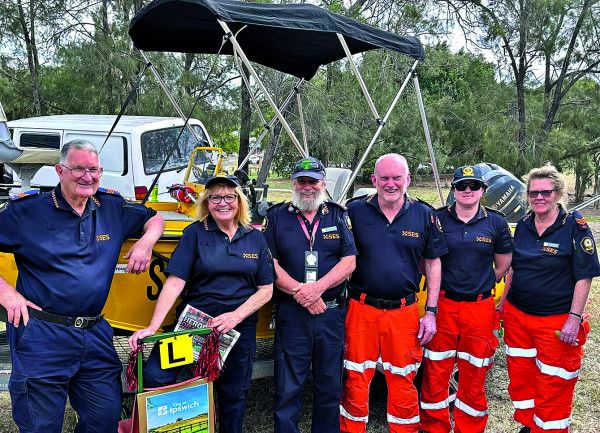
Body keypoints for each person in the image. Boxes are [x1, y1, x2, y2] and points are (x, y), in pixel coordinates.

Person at [0, 139, 164, 433]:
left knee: (104, 421)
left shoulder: (111, 206)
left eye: (94, 170)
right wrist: (6, 293)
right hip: (43, 333)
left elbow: (155, 218)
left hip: (95, 333)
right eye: (78, 169)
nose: (88, 177)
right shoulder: (26, 211)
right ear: (60, 171)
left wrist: (146, 242)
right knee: (40, 426)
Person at [129, 175, 274, 433]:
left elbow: (266, 290)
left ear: (239, 201)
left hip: (237, 330)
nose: (222, 203)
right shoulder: (194, 233)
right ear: (206, 202)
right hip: (194, 328)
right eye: (215, 197)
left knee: (234, 395)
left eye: (229, 197)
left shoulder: (255, 238)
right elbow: (175, 283)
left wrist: (235, 316)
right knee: (155, 375)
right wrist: (152, 327)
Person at [340, 153, 447, 433]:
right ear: (374, 180)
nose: (391, 184)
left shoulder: (424, 214)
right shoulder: (354, 211)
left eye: (397, 177)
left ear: (408, 179)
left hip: (404, 311)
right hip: (361, 309)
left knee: (403, 378)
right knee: (355, 376)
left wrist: (431, 312)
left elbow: (433, 263)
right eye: (384, 178)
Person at [498, 164, 600, 433]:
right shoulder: (523, 224)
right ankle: (528, 425)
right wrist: (503, 304)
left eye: (546, 192)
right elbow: (514, 268)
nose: (539, 198)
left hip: (555, 321)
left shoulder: (574, 227)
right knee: (522, 376)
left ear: (558, 194)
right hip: (518, 317)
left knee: (554, 381)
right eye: (533, 193)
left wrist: (574, 319)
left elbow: (584, 276)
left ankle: (549, 429)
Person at [262, 156, 356, 433]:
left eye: (313, 181)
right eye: (301, 181)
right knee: (287, 387)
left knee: (330, 386)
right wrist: (301, 293)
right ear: (293, 184)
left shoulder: (338, 215)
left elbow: (349, 261)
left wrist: (317, 289)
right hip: (293, 313)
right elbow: (269, 264)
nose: (307, 187)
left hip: (331, 313)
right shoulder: (276, 216)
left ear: (323, 184)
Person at [419, 165, 514, 433]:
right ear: (454, 190)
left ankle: (469, 427)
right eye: (461, 185)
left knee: (474, 371)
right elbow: (425, 262)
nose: (468, 190)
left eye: (474, 185)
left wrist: (480, 282)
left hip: (479, 308)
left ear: (483, 190)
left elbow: (503, 264)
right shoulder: (437, 218)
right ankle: (433, 426)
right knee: (435, 369)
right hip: (444, 305)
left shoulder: (496, 221)